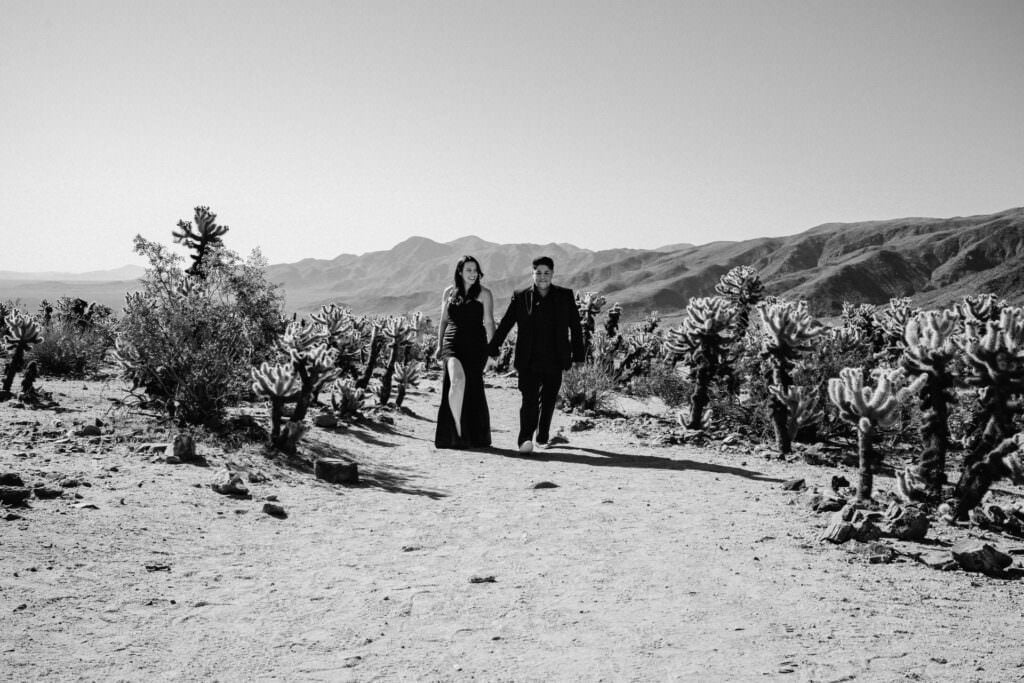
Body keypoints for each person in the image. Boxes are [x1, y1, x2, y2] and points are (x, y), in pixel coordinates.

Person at [488, 256, 584, 453]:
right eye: (538, 273)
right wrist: (493, 347)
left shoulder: (564, 296)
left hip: (555, 357)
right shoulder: (521, 296)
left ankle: (542, 434)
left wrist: (579, 357)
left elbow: (575, 327)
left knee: (548, 400)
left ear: (552, 274)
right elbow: (506, 323)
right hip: (528, 358)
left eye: (546, 273)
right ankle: (525, 438)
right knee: (529, 400)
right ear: (532, 273)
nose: (542, 277)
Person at [434, 255, 495, 449]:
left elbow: (489, 322)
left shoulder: (485, 293)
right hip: (452, 342)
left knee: (473, 387)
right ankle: (457, 432)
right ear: (460, 272)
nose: (473, 274)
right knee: (458, 381)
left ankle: (475, 436)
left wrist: (493, 346)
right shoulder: (449, 292)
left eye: (475, 270)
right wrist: (438, 345)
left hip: (476, 346)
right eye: (468, 270)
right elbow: (443, 320)